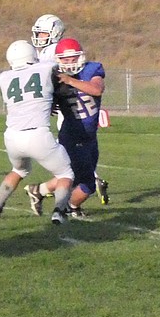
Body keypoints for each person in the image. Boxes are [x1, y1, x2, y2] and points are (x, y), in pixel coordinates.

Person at [0, 40, 75, 224]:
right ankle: (59, 211)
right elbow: (64, 90)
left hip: (12, 136)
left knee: (19, 170)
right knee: (65, 174)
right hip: (38, 134)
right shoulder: (47, 68)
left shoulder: (2, 78)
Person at [29, 38, 103, 218]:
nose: (69, 63)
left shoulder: (92, 69)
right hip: (72, 135)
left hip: (90, 135)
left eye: (73, 58)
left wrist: (70, 81)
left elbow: (96, 90)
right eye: (65, 59)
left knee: (76, 177)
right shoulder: (54, 78)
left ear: (81, 57)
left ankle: (39, 190)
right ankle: (70, 207)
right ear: (58, 60)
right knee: (87, 184)